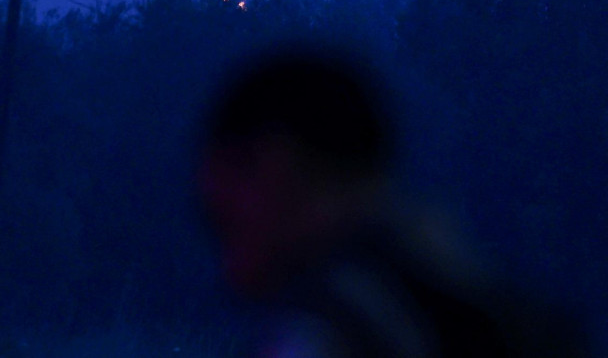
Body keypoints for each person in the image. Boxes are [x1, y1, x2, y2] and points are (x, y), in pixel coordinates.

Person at [197, 41, 589, 358]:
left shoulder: (324, 333)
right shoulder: (506, 315)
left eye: (226, 223)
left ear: (277, 166)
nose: (230, 270)